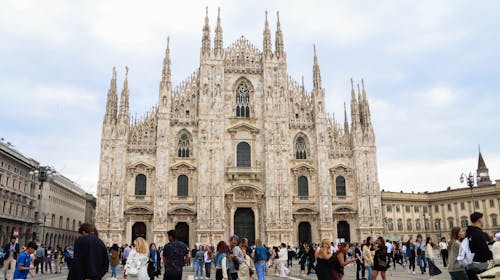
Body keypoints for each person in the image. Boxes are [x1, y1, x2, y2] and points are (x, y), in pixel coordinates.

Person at [465, 212, 493, 280]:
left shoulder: (468, 233)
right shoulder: (479, 233)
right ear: (479, 220)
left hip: (470, 263)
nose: (483, 221)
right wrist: (491, 255)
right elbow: (484, 249)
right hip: (480, 264)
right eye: (482, 219)